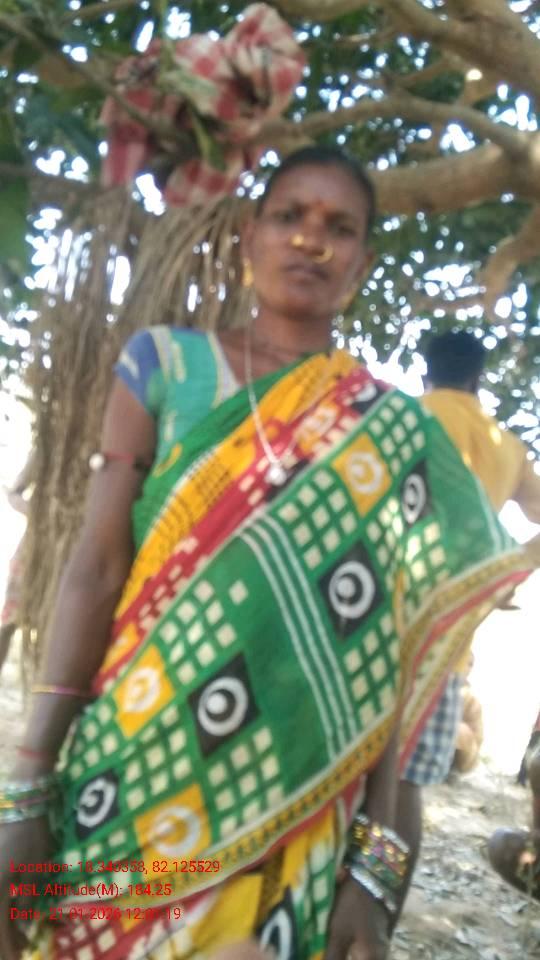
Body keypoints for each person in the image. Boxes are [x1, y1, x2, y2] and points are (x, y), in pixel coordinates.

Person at [0, 148, 535, 960]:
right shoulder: (162, 364)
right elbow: (97, 569)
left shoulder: (390, 429)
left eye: (339, 228)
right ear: (250, 238)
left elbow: (385, 668)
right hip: (129, 767)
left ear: (361, 263)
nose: (311, 240)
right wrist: (26, 791)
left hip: (298, 806)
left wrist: (376, 873)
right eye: (290, 217)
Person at [396, 330, 540, 905]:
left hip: (365, 632)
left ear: (425, 372)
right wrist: (510, 568)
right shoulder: (507, 446)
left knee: (346, 782)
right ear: (479, 380)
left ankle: (332, 898)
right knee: (403, 791)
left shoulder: (401, 418)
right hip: (447, 649)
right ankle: (378, 902)